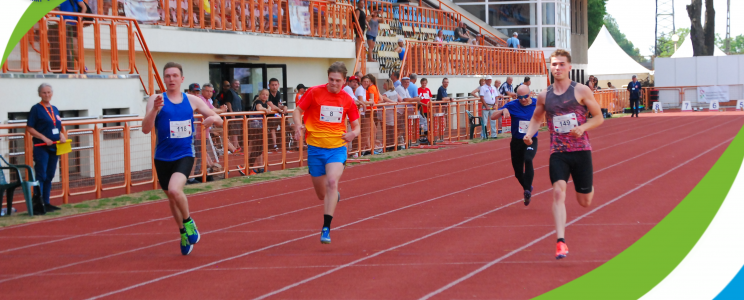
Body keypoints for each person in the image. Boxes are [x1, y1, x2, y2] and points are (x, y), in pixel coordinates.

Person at [522, 50, 604, 260]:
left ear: (569, 67)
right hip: (558, 152)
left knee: (584, 200)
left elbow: (598, 117)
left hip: (581, 151)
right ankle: (560, 242)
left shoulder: (581, 90)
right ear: (550, 67)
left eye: (561, 64)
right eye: (554, 64)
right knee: (558, 192)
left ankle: (587, 184)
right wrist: (529, 134)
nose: (557, 68)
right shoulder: (544, 95)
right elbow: (536, 118)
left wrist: (583, 126)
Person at [142, 62, 224, 255]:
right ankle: (183, 232)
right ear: (164, 79)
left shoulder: (193, 100)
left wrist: (212, 119)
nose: (171, 79)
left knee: (174, 190)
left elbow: (219, 119)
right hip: (162, 157)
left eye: (175, 76)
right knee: (172, 198)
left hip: (184, 154)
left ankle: (189, 223)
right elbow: (145, 129)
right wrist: (154, 110)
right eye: (168, 76)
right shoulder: (156, 99)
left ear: (182, 79)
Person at [292, 62, 360, 244]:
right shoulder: (314, 92)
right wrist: (298, 125)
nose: (334, 83)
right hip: (315, 148)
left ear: (344, 81)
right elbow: (298, 110)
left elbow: (356, 125)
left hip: (337, 148)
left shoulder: (347, 99)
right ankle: (333, 196)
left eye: (338, 80)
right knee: (322, 194)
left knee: (332, 182)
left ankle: (326, 228)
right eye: (331, 79)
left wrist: (353, 134)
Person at [490, 85, 538, 205]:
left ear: (530, 94)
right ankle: (528, 187)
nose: (523, 99)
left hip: (531, 139)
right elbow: (492, 116)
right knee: (518, 172)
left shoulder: (537, 104)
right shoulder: (512, 105)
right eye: (520, 97)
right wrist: (502, 110)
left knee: (528, 159)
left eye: (525, 96)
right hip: (517, 141)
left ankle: (527, 191)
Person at [26, 83, 66, 215]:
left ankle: (47, 202)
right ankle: (38, 203)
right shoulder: (36, 109)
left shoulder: (55, 109)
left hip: (54, 147)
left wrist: (61, 135)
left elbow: (57, 126)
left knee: (50, 175)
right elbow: (30, 128)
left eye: (49, 92)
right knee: (41, 175)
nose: (47, 95)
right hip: (41, 147)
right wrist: (43, 138)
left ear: (52, 93)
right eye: (44, 93)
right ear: (39, 94)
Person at [268, 78, 288, 152]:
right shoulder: (267, 93)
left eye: (276, 85)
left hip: (275, 115)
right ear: (269, 85)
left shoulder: (278, 93)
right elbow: (271, 105)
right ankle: (274, 145)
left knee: (284, 125)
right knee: (272, 129)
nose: (274, 86)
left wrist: (285, 107)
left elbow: (277, 105)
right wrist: (280, 110)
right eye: (272, 85)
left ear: (278, 85)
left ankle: (281, 144)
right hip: (266, 115)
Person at [417, 78, 432, 143]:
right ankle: (422, 136)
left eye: (425, 83)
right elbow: (418, 100)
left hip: (427, 109)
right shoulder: (418, 90)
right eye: (423, 83)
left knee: (427, 123)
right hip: (422, 109)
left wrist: (429, 105)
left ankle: (427, 136)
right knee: (422, 123)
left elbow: (429, 98)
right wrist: (424, 104)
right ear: (421, 83)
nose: (424, 84)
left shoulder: (428, 90)